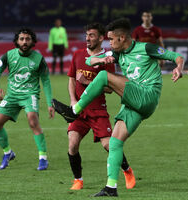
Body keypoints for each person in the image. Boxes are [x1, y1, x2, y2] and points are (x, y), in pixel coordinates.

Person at [52, 18, 184, 197]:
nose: (110, 43)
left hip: (147, 95)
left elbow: (177, 56)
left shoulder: (146, 48)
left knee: (105, 76)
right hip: (134, 104)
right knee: (114, 143)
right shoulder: (117, 54)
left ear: (122, 38)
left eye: (112, 39)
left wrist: (178, 67)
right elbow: (91, 62)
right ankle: (111, 187)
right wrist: (98, 60)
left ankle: (73, 111)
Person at [65, 22, 135, 190]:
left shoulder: (107, 59)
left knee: (109, 145)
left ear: (101, 38)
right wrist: (73, 100)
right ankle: (78, 180)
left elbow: (110, 89)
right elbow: (71, 80)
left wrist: (88, 82)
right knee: (72, 144)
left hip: (97, 109)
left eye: (92, 35)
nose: (88, 38)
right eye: (87, 35)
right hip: (80, 111)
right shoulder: (77, 55)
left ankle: (127, 170)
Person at [0, 28, 55, 171]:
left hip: (29, 95)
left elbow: (46, 81)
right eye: (22, 39)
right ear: (17, 41)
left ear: (32, 41)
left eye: (27, 39)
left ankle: (43, 158)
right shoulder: (8, 55)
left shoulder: (39, 59)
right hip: (12, 96)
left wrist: (50, 103)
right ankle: (8, 153)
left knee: (33, 120)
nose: (24, 42)